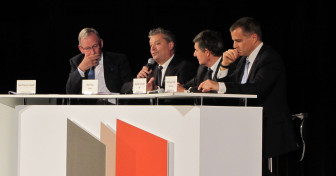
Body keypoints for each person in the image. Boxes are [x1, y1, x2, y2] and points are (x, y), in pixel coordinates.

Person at [198, 17, 298, 175]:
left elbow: (255, 89)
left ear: (253, 37)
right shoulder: (243, 61)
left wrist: (219, 85)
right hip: (247, 130)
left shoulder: (269, 58)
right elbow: (232, 87)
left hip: (269, 132)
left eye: (238, 40)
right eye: (233, 41)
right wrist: (224, 65)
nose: (234, 46)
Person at [66, 28, 132, 104]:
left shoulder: (118, 60)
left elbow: (127, 86)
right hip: (86, 107)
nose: (92, 52)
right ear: (81, 49)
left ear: (101, 43)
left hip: (113, 104)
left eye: (95, 46)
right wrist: (81, 69)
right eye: (87, 48)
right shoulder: (76, 62)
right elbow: (69, 91)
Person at [121, 27, 196, 95]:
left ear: (170, 45)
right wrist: (140, 83)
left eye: (157, 44)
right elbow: (124, 88)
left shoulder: (184, 67)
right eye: (151, 45)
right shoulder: (150, 69)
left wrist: (156, 89)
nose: (152, 49)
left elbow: (179, 91)